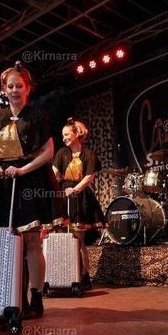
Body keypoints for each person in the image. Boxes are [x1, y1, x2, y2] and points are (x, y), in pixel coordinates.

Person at [0, 61, 65, 319]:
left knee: (32, 241)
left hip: (30, 178)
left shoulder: (37, 115)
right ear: (4, 89)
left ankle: (36, 298)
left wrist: (24, 169)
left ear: (28, 88)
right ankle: (8, 294)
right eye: (10, 86)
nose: (15, 90)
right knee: (3, 240)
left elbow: (48, 151)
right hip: (3, 180)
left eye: (19, 86)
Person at [52, 118, 106, 291]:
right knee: (60, 236)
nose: (64, 138)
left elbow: (89, 177)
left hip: (79, 195)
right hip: (63, 195)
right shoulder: (61, 153)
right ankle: (63, 274)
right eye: (62, 135)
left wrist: (75, 189)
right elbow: (54, 173)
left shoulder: (88, 154)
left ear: (77, 134)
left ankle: (84, 275)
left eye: (67, 134)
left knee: (78, 239)